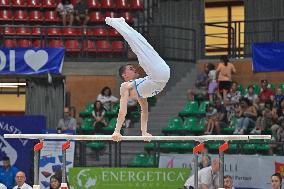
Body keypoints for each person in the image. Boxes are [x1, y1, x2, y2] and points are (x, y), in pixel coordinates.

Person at [105, 17, 170, 141]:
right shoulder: (127, 87)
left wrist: (142, 131)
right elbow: (128, 110)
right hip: (160, 73)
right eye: (130, 68)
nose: (134, 69)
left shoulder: (136, 86)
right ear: (124, 76)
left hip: (159, 71)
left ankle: (119, 22)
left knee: (138, 41)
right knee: (136, 41)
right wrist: (118, 131)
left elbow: (138, 111)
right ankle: (116, 22)